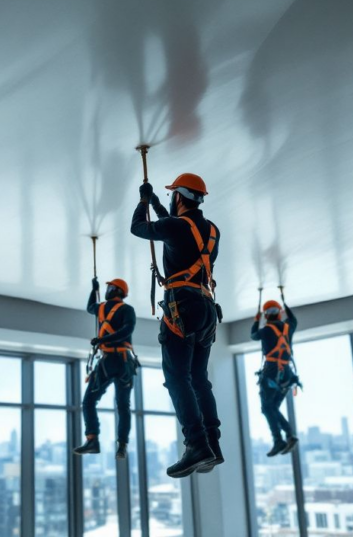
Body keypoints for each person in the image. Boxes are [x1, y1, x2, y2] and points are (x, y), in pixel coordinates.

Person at [131, 173, 223, 477]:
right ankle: (212, 442)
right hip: (206, 308)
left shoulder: (175, 226)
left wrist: (144, 201)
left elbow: (138, 228)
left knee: (176, 377)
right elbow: (174, 227)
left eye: (172, 195)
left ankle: (196, 443)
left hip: (182, 308)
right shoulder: (212, 231)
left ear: (180, 197)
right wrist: (156, 202)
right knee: (199, 379)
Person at [74, 278, 138, 460]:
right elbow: (90, 307)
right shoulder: (101, 308)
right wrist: (93, 290)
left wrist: (103, 340)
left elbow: (127, 330)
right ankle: (92, 440)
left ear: (117, 290)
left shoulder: (127, 310)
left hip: (120, 360)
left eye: (110, 287)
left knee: (122, 405)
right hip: (111, 360)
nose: (107, 289)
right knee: (89, 401)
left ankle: (122, 445)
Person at [252, 297, 300, 457]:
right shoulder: (288, 327)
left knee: (267, 408)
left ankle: (282, 438)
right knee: (271, 408)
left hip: (272, 373)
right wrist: (285, 305)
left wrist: (256, 320)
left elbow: (253, 335)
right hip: (287, 374)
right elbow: (293, 319)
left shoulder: (265, 330)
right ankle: (287, 436)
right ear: (280, 314)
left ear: (266, 315)